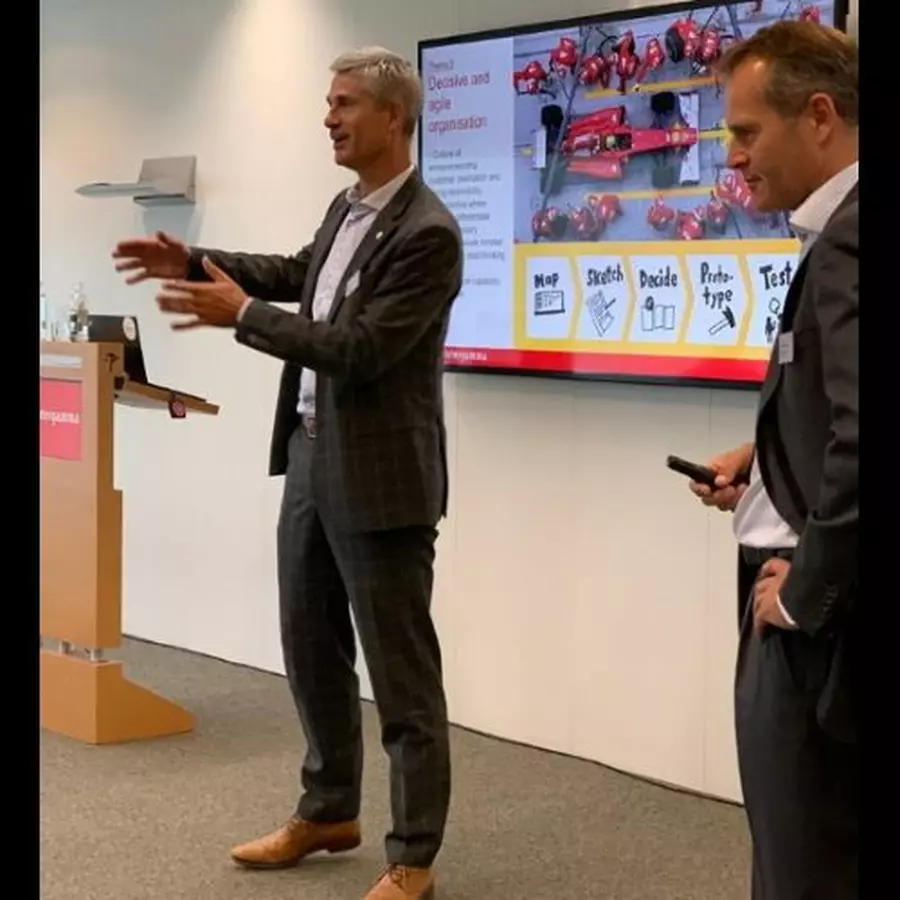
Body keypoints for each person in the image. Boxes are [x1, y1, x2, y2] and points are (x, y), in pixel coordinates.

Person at [112, 46, 461, 900]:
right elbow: (301, 277)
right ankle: (329, 809)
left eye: (344, 104)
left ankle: (413, 855)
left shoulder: (429, 232)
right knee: (310, 646)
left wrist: (242, 315)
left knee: (402, 678)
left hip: (382, 482)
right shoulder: (348, 208)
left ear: (393, 117)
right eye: (328, 103)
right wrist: (195, 262)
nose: (328, 118)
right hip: (311, 457)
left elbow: (360, 349)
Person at [689, 20, 858, 900]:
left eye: (748, 132)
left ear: (819, 116)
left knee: (803, 865)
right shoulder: (836, 235)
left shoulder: (851, 240)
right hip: (812, 612)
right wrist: (768, 460)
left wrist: (804, 592)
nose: (734, 156)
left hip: (815, 630)